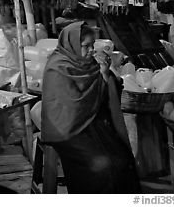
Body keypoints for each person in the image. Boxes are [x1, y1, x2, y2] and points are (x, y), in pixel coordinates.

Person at [41, 21, 141, 194]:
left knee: (122, 158)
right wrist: (100, 81)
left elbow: (106, 94)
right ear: (71, 44)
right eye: (85, 46)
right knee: (101, 165)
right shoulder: (57, 68)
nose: (91, 51)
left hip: (92, 123)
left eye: (92, 45)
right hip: (66, 129)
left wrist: (104, 73)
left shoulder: (91, 64)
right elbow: (72, 105)